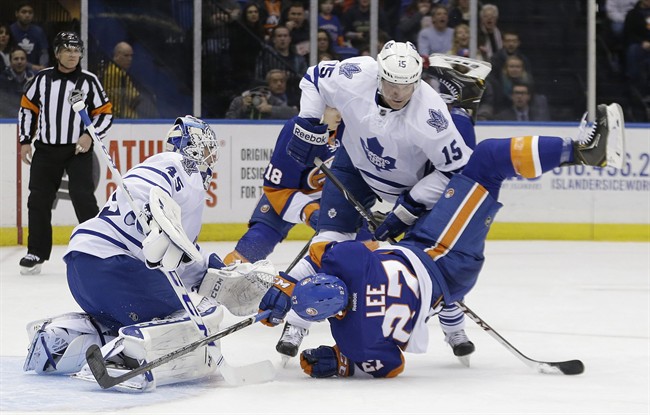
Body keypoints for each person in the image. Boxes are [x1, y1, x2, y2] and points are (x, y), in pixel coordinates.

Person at [258, 101, 626, 378]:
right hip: (443, 255)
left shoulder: (358, 341)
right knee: (485, 161)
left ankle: (451, 322)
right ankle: (582, 151)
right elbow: (329, 254)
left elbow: (391, 367)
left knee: (467, 176)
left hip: (436, 273)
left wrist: (343, 363)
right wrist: (283, 285)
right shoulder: (347, 263)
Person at [23, 116, 276, 390]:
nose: (210, 157)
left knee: (114, 322)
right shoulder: (181, 165)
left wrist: (219, 278)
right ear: (191, 148)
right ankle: (127, 356)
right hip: (117, 267)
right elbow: (145, 187)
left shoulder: (184, 192)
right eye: (205, 149)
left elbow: (182, 260)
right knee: (201, 314)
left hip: (83, 267)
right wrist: (153, 218)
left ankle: (58, 342)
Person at [268, 41, 480, 363]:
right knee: (328, 243)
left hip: (409, 186)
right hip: (352, 166)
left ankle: (454, 326)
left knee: (431, 260)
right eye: (392, 84)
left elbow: (456, 172)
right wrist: (310, 121)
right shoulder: (356, 74)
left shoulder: (431, 116)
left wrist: (410, 205)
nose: (398, 93)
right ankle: (297, 323)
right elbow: (313, 77)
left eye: (407, 86)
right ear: (379, 75)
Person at [18, 32, 113, 275]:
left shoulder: (89, 81)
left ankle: (97, 249)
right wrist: (25, 140)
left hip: (77, 151)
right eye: (67, 50)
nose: (72, 54)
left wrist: (89, 135)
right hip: (46, 149)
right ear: (57, 53)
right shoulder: (42, 79)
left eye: (76, 50)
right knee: (38, 199)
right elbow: (28, 108)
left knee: (83, 197)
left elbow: (105, 112)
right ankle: (36, 251)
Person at [225, 68, 299, 119]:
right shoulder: (239, 101)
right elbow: (227, 121)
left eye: (263, 93)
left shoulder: (272, 100)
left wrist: (270, 108)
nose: (258, 96)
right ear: (249, 92)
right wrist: (243, 108)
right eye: (255, 93)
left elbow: (294, 114)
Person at [101, 42, 141, 119]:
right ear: (117, 55)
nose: (130, 59)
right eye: (126, 55)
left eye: (131, 56)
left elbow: (134, 95)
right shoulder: (113, 73)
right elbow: (113, 98)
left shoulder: (121, 72)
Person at [10, 2, 49, 71]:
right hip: (14, 70)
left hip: (36, 70)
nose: (27, 15)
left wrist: (42, 66)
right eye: (24, 12)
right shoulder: (10, 30)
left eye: (30, 12)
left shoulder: (38, 31)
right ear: (17, 14)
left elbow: (44, 52)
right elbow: (8, 54)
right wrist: (31, 66)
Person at [0, 47, 35, 117]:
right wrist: (21, 115)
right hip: (8, 120)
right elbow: (3, 104)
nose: (19, 62)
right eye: (16, 59)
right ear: (10, 61)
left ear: (26, 61)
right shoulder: (2, 79)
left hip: (30, 118)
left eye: (22, 59)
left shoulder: (34, 78)